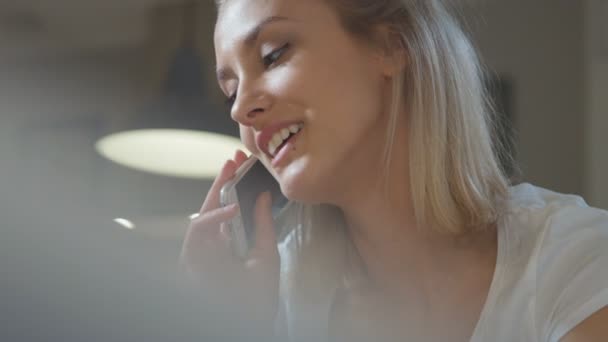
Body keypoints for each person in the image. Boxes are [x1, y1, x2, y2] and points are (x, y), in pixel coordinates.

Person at [179, 0, 608, 341]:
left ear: (391, 45)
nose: (240, 108)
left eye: (273, 55)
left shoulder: (575, 264)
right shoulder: (281, 303)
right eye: (230, 92)